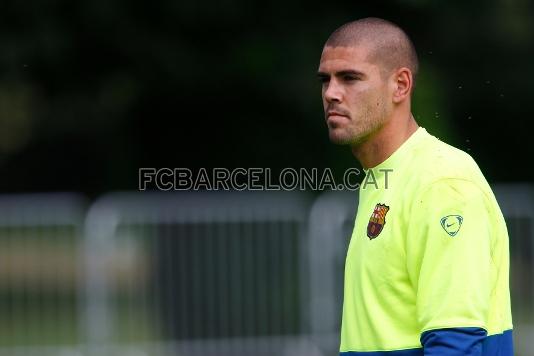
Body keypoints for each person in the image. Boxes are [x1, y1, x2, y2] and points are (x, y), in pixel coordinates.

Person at [317, 17, 513, 355]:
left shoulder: (442, 182)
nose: (331, 93)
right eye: (326, 80)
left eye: (349, 78)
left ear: (400, 85)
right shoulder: (382, 178)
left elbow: (455, 344)